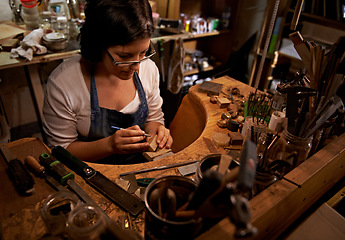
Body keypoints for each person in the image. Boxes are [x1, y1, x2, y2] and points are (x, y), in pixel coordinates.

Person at [42, 0, 173, 163]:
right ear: (97, 45)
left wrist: (157, 132)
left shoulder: (148, 68)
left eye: (143, 52)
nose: (137, 66)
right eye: (124, 56)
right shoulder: (63, 83)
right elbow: (60, 150)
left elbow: (153, 119)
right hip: (89, 173)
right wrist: (109, 145)